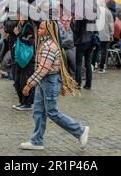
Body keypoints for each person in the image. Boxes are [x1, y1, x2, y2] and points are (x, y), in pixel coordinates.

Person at [19, 21, 89, 151]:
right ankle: (36, 141)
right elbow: (58, 67)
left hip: (49, 81)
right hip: (46, 81)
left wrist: (28, 84)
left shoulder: (49, 46)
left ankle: (80, 130)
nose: (38, 29)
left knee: (52, 112)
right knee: (39, 111)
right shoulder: (46, 44)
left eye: (41, 28)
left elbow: (43, 69)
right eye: (39, 27)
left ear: (49, 31)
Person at [13, 14, 35, 110]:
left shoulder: (28, 25)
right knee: (17, 81)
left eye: (20, 14)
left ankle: (28, 103)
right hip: (20, 57)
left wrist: (18, 34)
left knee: (25, 80)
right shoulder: (19, 25)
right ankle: (22, 101)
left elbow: (30, 41)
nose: (18, 16)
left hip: (27, 58)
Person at [73, 18, 95, 89]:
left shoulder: (80, 17)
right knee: (88, 64)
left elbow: (76, 30)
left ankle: (78, 84)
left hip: (81, 42)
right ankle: (88, 84)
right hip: (91, 41)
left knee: (78, 64)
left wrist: (72, 23)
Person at [95, 0, 115, 74]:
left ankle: (93, 65)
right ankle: (101, 68)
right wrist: (111, 34)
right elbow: (111, 24)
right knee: (104, 51)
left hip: (96, 33)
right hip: (105, 34)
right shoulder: (108, 11)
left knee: (95, 50)